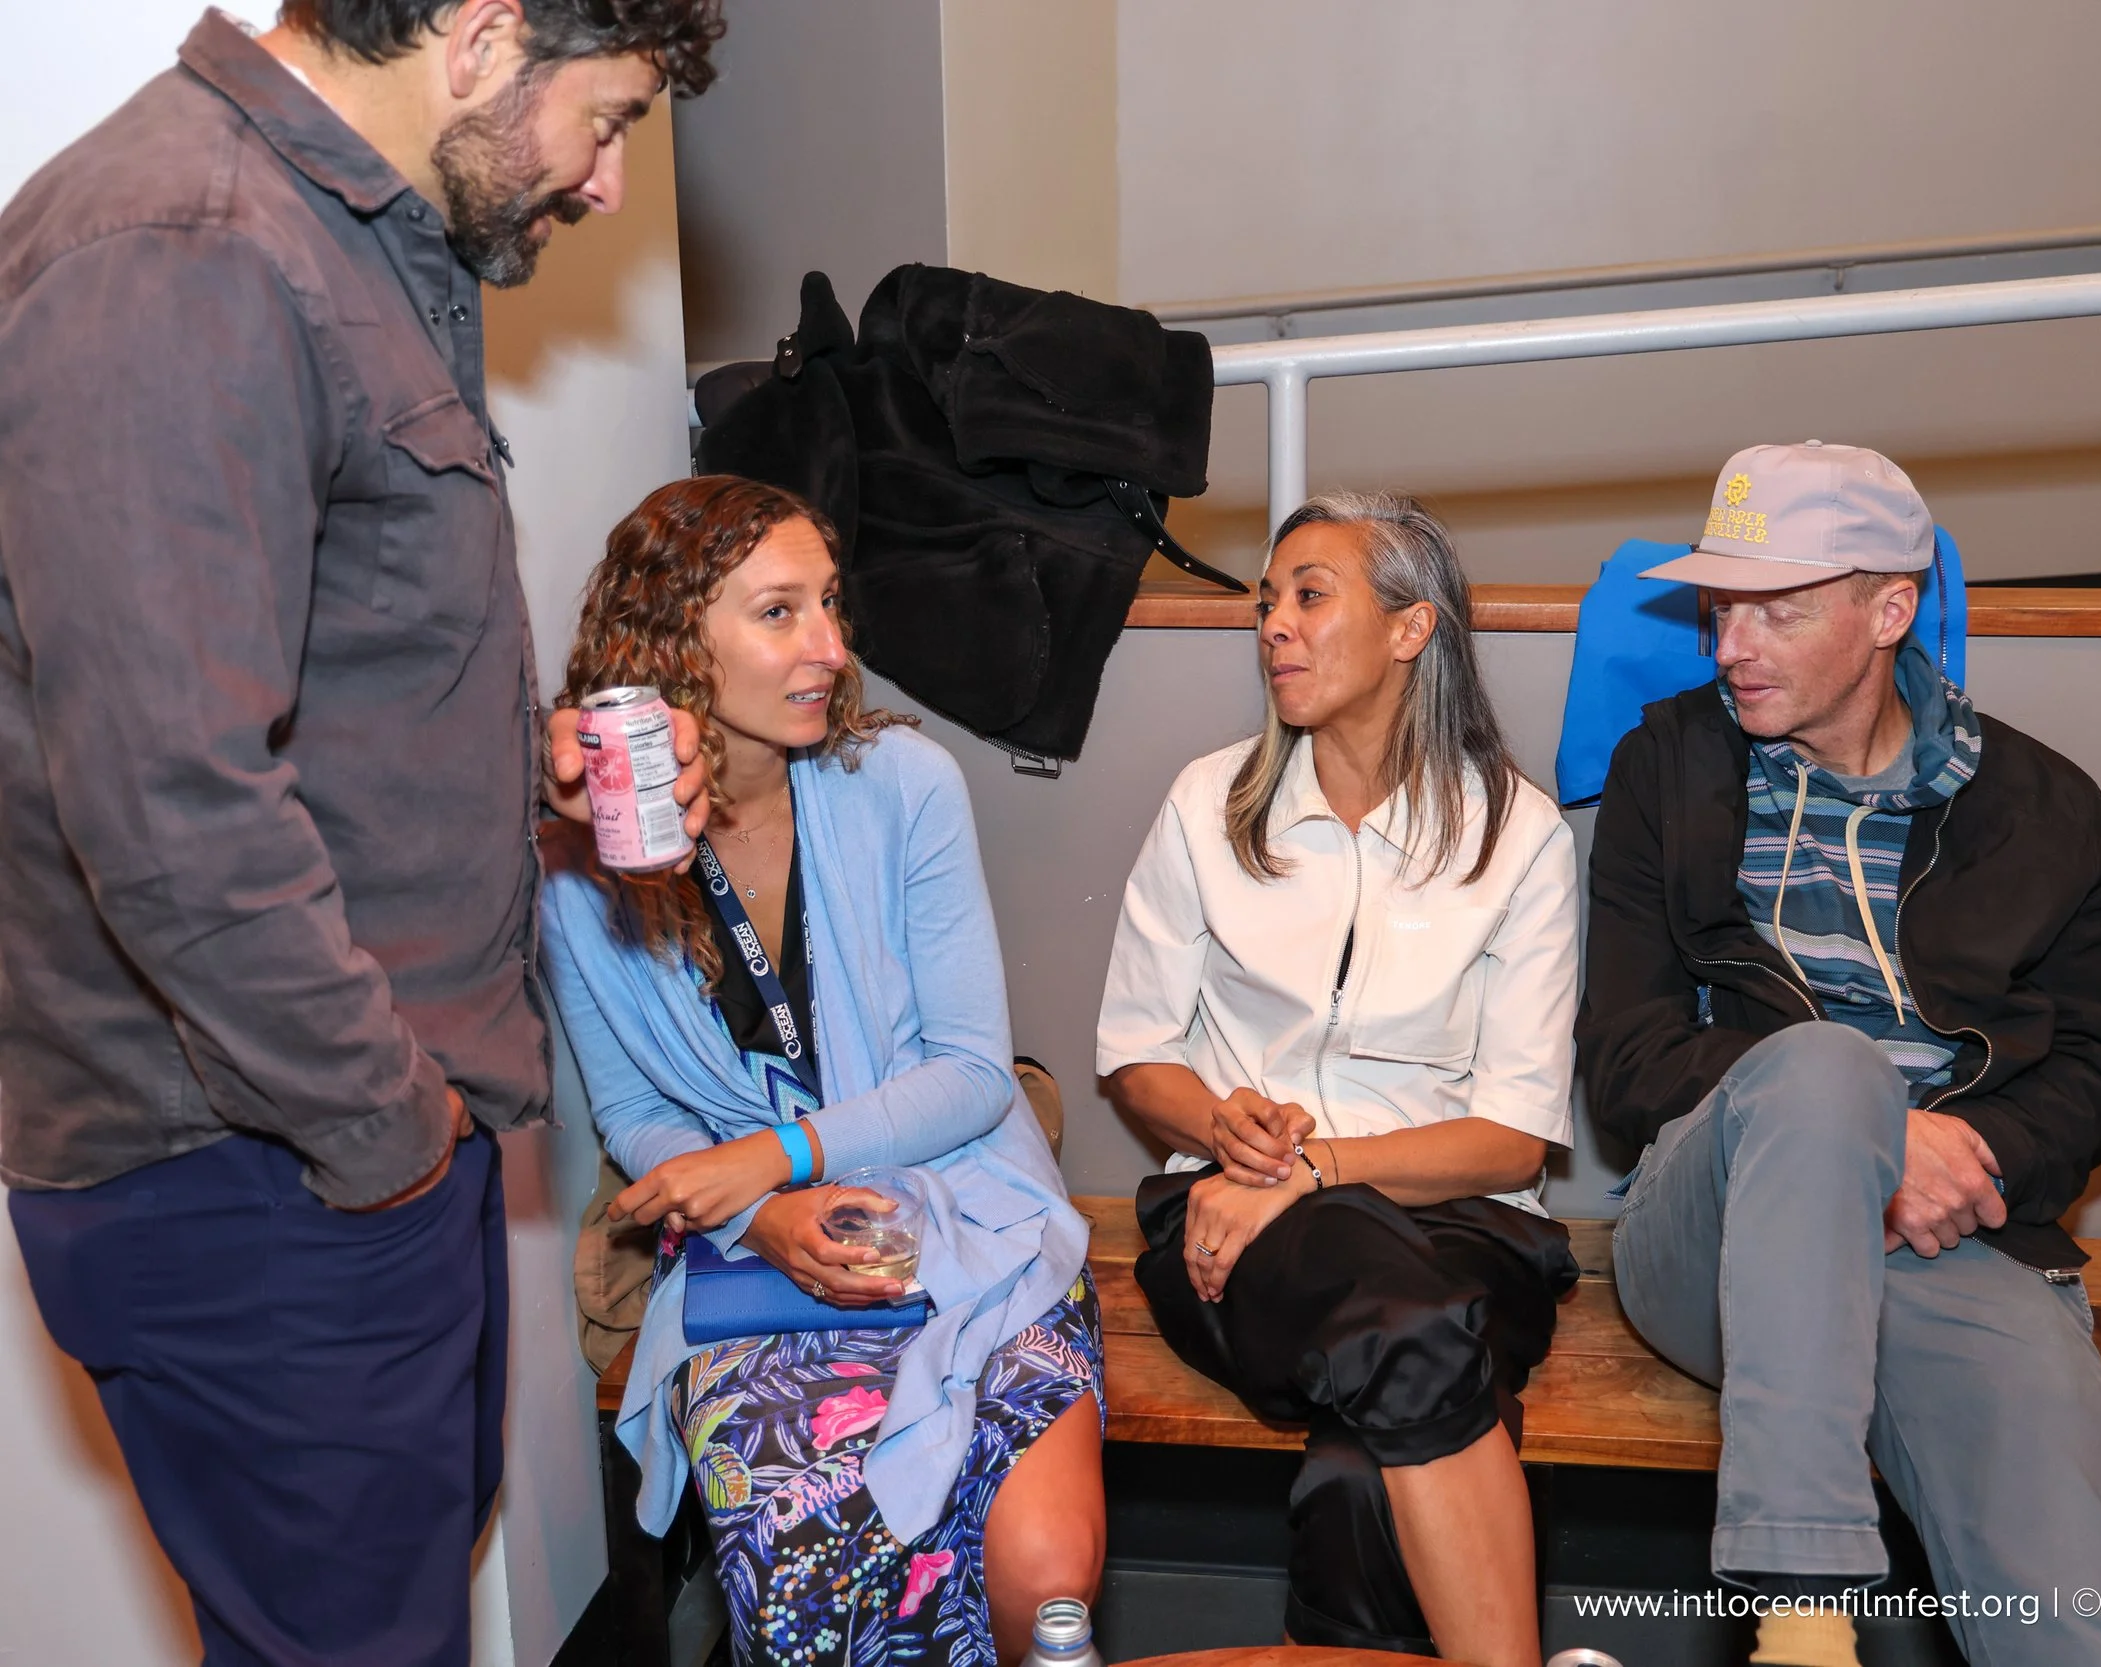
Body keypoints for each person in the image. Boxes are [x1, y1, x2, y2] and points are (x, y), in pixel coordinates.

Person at [0, 3, 721, 1661]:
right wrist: (388, 1140)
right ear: (482, 35)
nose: (609, 186)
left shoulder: (340, 239)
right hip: (260, 1166)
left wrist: (514, 764)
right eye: (603, 121)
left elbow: (300, 668)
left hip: (338, 1147)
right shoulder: (184, 252)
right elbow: (171, 806)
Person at [1577, 442, 2101, 1667]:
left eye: (1775, 610)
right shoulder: (1665, 770)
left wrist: (1965, 1153)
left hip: (1954, 1239)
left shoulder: (2049, 809)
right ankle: (1800, 1615)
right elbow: (1627, 1060)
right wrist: (1851, 1129)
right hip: (1719, 1229)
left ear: (1890, 608)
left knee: (2078, 1635)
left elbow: (2100, 1067)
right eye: (1719, 606)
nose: (1729, 643)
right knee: (1829, 1067)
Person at [539, 474, 1104, 1667]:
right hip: (760, 1256)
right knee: (802, 1572)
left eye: (829, 606)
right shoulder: (580, 863)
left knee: (1046, 1581)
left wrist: (770, 1155)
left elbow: (970, 1074)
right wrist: (761, 1211)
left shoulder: (903, 787)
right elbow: (636, 1106)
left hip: (964, 1211)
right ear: (674, 641)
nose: (831, 648)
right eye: (780, 612)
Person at [1097, 492, 1581, 1667]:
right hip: (1227, 1221)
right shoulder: (1208, 806)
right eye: (1266, 601)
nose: (1272, 625)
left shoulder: (1516, 836)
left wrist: (1310, 1170)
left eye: (1310, 596)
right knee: (1418, 1336)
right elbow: (1134, 1055)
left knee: (1364, 1480)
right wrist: (1224, 1124)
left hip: (1457, 1227)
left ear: (1412, 630)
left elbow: (1513, 1141)